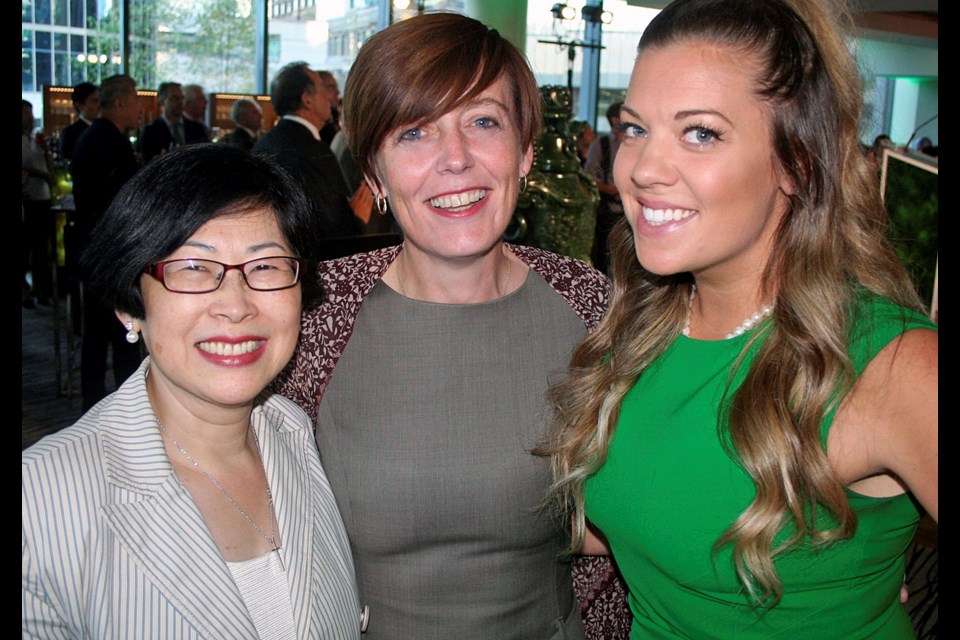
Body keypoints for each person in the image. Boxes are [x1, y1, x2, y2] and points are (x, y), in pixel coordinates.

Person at [545, 0, 938, 638]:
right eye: (635, 128)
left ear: (796, 163)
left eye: (700, 133)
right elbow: (649, 514)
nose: (642, 169)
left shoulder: (891, 365)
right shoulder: (644, 324)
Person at [275, 13, 626, 639]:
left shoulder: (592, 308)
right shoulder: (315, 321)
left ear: (524, 151)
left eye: (483, 122)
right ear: (375, 174)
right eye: (415, 133)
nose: (456, 159)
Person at [22, 145, 363, 639]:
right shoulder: (41, 503)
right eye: (193, 268)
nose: (235, 305)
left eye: (265, 266)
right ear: (129, 305)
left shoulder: (294, 432)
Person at [71, 74, 143, 410]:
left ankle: (99, 404)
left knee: (101, 335)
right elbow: (120, 203)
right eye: (136, 100)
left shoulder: (99, 136)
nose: (141, 108)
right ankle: (121, 408)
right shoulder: (106, 140)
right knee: (118, 333)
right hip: (108, 253)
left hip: (98, 250)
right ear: (121, 102)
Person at [253, 62, 366, 239]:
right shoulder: (314, 152)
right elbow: (333, 229)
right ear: (307, 100)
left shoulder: (265, 143)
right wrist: (357, 218)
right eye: (323, 90)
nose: (329, 99)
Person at [585, 101, 624, 273]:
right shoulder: (601, 145)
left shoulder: (635, 143)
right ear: (614, 120)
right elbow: (588, 177)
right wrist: (610, 189)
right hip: (607, 208)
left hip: (628, 209)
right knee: (602, 255)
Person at [21, 100, 53, 306]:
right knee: (25, 246)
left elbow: (47, 164)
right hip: (27, 198)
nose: (29, 117)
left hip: (42, 196)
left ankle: (40, 287)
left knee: (41, 245)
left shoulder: (35, 139)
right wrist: (40, 174)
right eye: (25, 113)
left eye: (30, 112)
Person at [140, 82, 208, 163]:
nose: (180, 102)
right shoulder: (150, 131)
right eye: (175, 98)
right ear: (161, 101)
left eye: (182, 98)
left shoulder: (197, 128)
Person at [59, 82, 99, 163]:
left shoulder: (103, 129)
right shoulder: (70, 133)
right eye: (95, 101)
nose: (99, 105)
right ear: (80, 105)